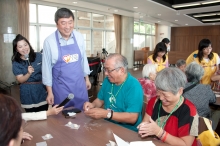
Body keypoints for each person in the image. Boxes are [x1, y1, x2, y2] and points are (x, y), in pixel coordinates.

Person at [42, 8, 91, 110]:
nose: (68, 27)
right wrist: (50, 92)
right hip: (61, 88)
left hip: (79, 86)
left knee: (83, 115)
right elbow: (46, 68)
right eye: (63, 23)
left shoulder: (79, 37)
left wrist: (86, 79)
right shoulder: (49, 42)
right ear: (57, 24)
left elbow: (83, 59)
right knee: (61, 119)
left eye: (70, 22)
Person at [138, 68, 198, 146]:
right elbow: (145, 122)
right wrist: (143, 128)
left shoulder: (189, 110)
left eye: (165, 95)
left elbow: (185, 144)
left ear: (180, 91)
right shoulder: (154, 101)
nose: (161, 98)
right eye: (158, 92)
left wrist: (159, 132)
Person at [83, 53, 143, 132]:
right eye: (105, 69)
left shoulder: (134, 86)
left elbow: (132, 117)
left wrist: (106, 114)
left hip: (127, 130)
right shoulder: (108, 81)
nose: (106, 73)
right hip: (108, 125)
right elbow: (100, 100)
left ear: (121, 70)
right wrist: (92, 105)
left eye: (109, 70)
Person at [12, 34, 48, 112]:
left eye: (25, 45)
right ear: (16, 49)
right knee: (32, 118)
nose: (24, 48)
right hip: (27, 93)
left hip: (41, 90)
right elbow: (20, 80)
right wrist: (28, 73)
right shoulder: (16, 62)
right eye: (20, 47)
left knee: (44, 116)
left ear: (29, 45)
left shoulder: (39, 56)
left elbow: (47, 70)